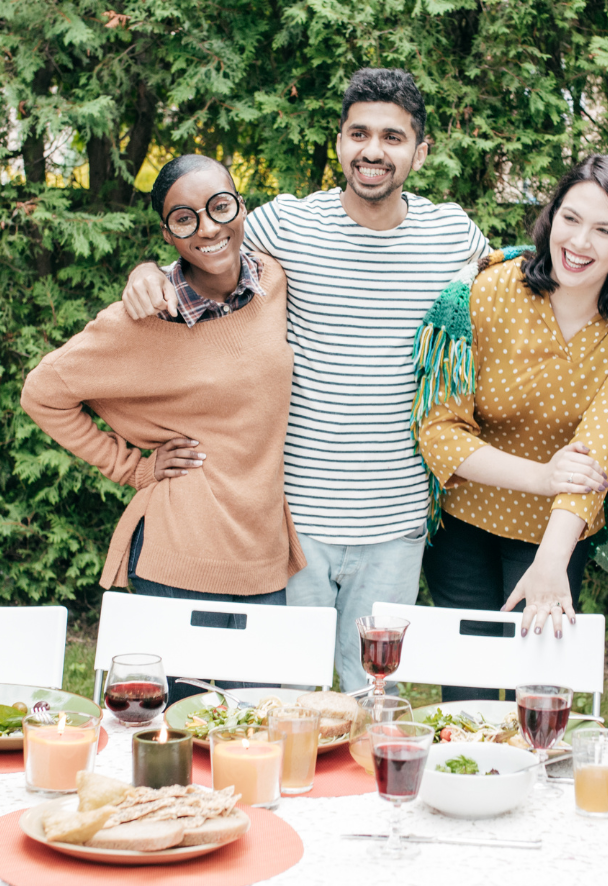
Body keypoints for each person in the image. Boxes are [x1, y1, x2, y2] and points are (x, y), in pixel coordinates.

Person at [121, 68, 491, 692]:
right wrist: (145, 269)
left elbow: (514, 284)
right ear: (340, 140)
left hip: (395, 522)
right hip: (293, 517)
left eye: (393, 138)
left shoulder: (452, 234)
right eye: (359, 133)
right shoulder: (287, 226)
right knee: (283, 698)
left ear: (420, 151)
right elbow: (206, 247)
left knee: (373, 694)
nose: (373, 150)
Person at [416, 154, 608, 700]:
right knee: (470, 700)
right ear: (551, 216)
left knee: (540, 699)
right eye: (570, 219)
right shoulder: (487, 293)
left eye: (605, 230)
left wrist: (551, 560)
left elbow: (598, 449)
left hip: (557, 533)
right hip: (463, 526)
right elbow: (439, 432)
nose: (580, 242)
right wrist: (543, 476)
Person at [23, 154, 303, 610]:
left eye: (220, 207)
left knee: (262, 686)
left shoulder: (273, 282)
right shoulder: (144, 319)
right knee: (186, 687)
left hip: (263, 552)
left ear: (242, 207)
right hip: (180, 554)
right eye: (184, 219)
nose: (208, 228)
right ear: (167, 234)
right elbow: (42, 394)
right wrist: (133, 469)